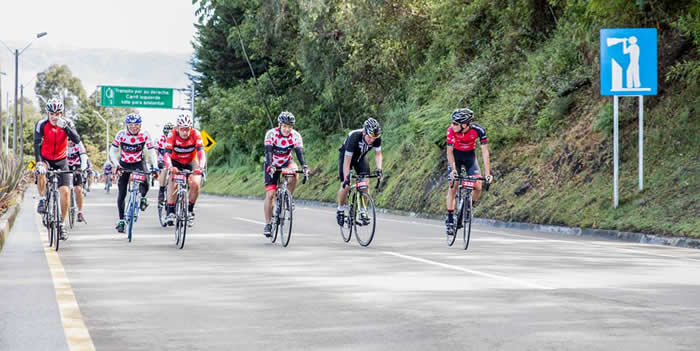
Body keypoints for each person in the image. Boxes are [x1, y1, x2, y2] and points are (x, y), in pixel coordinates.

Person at [34, 98, 84, 240]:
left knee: (66, 192)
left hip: (62, 161)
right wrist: (38, 162)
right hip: (46, 159)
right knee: (42, 170)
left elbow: (77, 139)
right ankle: (43, 199)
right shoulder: (41, 124)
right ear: (48, 113)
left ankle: (61, 224)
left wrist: (66, 127)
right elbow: (37, 145)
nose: (55, 117)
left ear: (62, 113)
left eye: (58, 113)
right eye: (52, 114)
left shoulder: (68, 123)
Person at [444, 108, 492, 233]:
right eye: (452, 122)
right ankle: (450, 219)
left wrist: (487, 174)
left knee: (478, 186)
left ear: (465, 124)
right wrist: (453, 170)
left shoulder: (478, 130)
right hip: (455, 157)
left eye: (455, 123)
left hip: (470, 156)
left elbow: (485, 152)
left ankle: (467, 208)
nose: (452, 125)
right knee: (453, 185)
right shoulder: (450, 131)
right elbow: (449, 152)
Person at [262, 111, 309, 237]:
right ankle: (268, 224)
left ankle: (288, 196)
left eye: (290, 126)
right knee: (271, 194)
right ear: (279, 125)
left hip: (286, 161)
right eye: (285, 126)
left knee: (294, 171)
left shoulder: (295, 136)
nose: (287, 129)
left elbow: (299, 153)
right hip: (272, 162)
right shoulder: (271, 134)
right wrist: (271, 165)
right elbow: (268, 152)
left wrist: (304, 166)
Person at [109, 113, 158, 233]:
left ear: (140, 125)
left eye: (136, 125)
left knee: (146, 182)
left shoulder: (145, 134)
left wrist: (155, 166)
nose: (134, 127)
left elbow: (151, 152)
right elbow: (112, 151)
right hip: (124, 163)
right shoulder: (121, 134)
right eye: (131, 125)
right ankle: (121, 220)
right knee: (121, 193)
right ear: (127, 125)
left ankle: (142, 197)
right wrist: (116, 165)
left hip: (139, 163)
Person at [336, 118, 383, 226]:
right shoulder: (354, 136)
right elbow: (347, 161)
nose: (372, 140)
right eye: (370, 137)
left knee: (365, 184)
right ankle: (340, 209)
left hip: (360, 158)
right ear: (364, 132)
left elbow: (378, 154)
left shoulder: (376, 138)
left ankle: (363, 210)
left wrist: (379, 169)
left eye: (374, 138)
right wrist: (347, 177)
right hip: (346, 157)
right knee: (346, 185)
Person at [163, 113, 206, 227]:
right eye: (182, 129)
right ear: (177, 128)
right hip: (175, 161)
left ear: (190, 128)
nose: (185, 132)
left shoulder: (196, 134)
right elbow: (166, 154)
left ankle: (190, 210)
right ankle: (171, 211)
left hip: (191, 161)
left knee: (196, 183)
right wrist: (170, 167)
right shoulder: (172, 134)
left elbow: (201, 152)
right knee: (173, 181)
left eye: (187, 129)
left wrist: (201, 167)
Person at [66, 139, 90, 222]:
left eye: (72, 140)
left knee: (78, 189)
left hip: (77, 167)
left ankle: (79, 212)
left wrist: (82, 169)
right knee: (65, 189)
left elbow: (84, 158)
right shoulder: (63, 145)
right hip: (65, 167)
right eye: (68, 140)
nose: (70, 142)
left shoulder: (79, 145)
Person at [156, 122, 174, 204]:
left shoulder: (176, 139)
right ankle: (161, 190)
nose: (168, 137)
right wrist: (156, 160)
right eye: (167, 134)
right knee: (164, 169)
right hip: (162, 160)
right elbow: (156, 151)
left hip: (173, 161)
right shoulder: (160, 140)